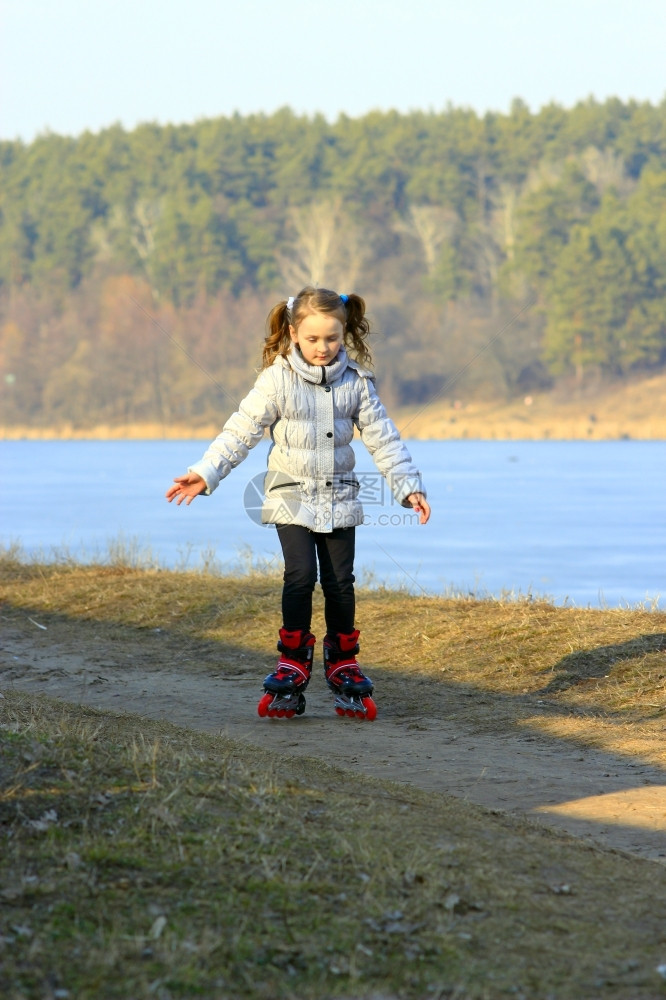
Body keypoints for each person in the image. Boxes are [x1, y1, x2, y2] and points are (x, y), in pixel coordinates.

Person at [166, 286, 430, 720]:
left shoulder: (356, 384)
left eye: (332, 338)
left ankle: (343, 659)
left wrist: (408, 486)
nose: (323, 348)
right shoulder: (276, 379)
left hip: (340, 494)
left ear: (344, 333)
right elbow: (241, 431)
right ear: (293, 334)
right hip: (290, 495)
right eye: (312, 339)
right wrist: (205, 472)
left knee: (341, 581)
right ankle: (292, 659)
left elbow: (384, 438)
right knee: (301, 575)